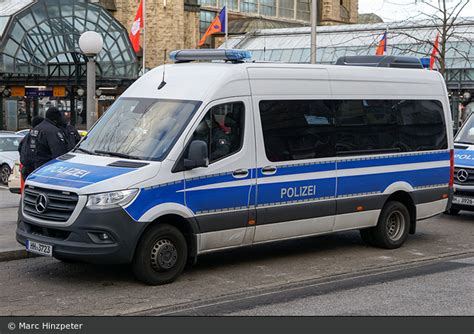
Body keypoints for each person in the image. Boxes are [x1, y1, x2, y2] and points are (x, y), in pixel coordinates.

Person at [21, 107, 70, 177]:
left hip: (30, 171)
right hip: (46, 171)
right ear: (55, 118)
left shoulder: (35, 129)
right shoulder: (53, 131)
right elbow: (59, 154)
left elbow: (23, 149)